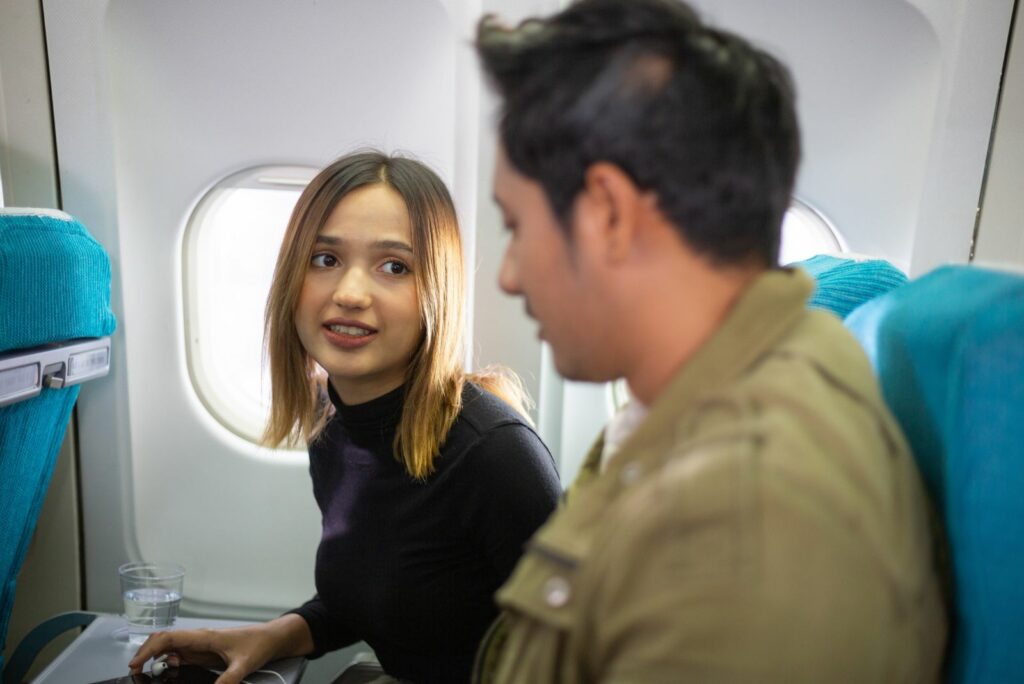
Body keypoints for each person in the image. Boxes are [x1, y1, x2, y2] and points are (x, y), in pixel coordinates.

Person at [472, 1, 948, 681]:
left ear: (608, 213)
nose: (509, 275)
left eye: (517, 226)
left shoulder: (744, 525)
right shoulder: (688, 396)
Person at [129, 151, 562, 684]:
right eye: (325, 259)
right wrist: (267, 637)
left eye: (394, 267)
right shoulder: (331, 423)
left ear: (436, 293)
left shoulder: (495, 455)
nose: (350, 293)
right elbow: (371, 596)